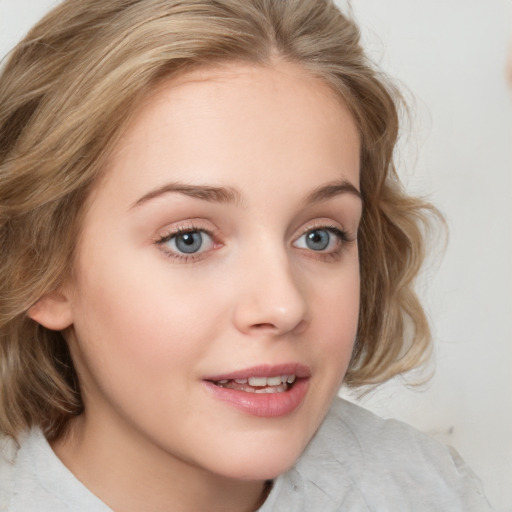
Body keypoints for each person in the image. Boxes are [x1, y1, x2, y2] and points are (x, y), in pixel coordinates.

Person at [0, 0, 493, 510]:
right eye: (188, 239)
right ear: (38, 269)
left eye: (319, 236)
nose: (284, 306)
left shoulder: (423, 490)